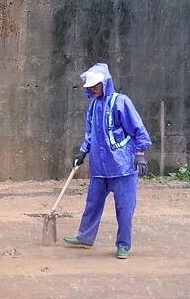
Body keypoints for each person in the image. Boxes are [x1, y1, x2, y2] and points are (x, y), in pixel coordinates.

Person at [63, 62, 152, 259]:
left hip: (122, 167)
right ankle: (85, 237)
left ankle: (123, 245)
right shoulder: (93, 105)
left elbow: (137, 128)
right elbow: (90, 133)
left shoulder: (121, 102)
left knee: (125, 208)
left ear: (105, 83)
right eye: (90, 86)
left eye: (96, 85)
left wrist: (140, 153)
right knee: (92, 204)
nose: (93, 89)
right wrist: (82, 153)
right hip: (99, 167)